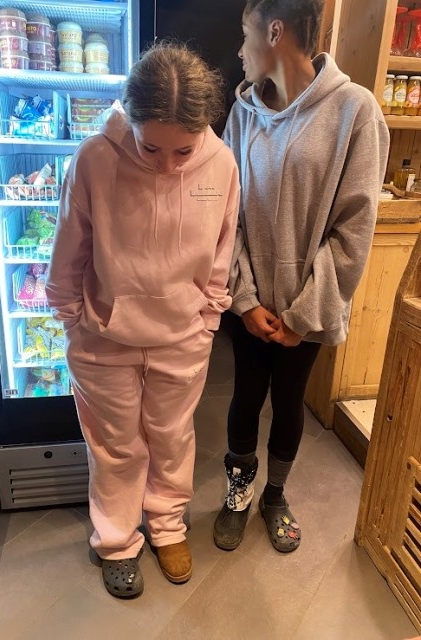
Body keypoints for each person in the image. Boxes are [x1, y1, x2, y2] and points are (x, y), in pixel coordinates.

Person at [46, 42, 240, 598]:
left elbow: (222, 252)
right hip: (102, 338)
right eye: (151, 146)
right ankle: (116, 540)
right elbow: (68, 250)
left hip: (183, 336)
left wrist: (207, 320)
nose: (167, 165)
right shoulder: (93, 159)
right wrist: (72, 321)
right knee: (116, 446)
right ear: (129, 118)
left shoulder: (222, 164)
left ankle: (167, 525)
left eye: (183, 151)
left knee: (173, 438)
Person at [213, 0, 390, 554]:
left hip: (305, 311)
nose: (239, 50)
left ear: (275, 31)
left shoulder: (355, 111)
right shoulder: (241, 114)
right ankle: (238, 494)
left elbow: (354, 227)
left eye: (245, 33)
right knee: (245, 396)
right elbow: (224, 215)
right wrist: (244, 300)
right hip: (250, 305)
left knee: (289, 402)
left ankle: (274, 495)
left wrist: (304, 315)